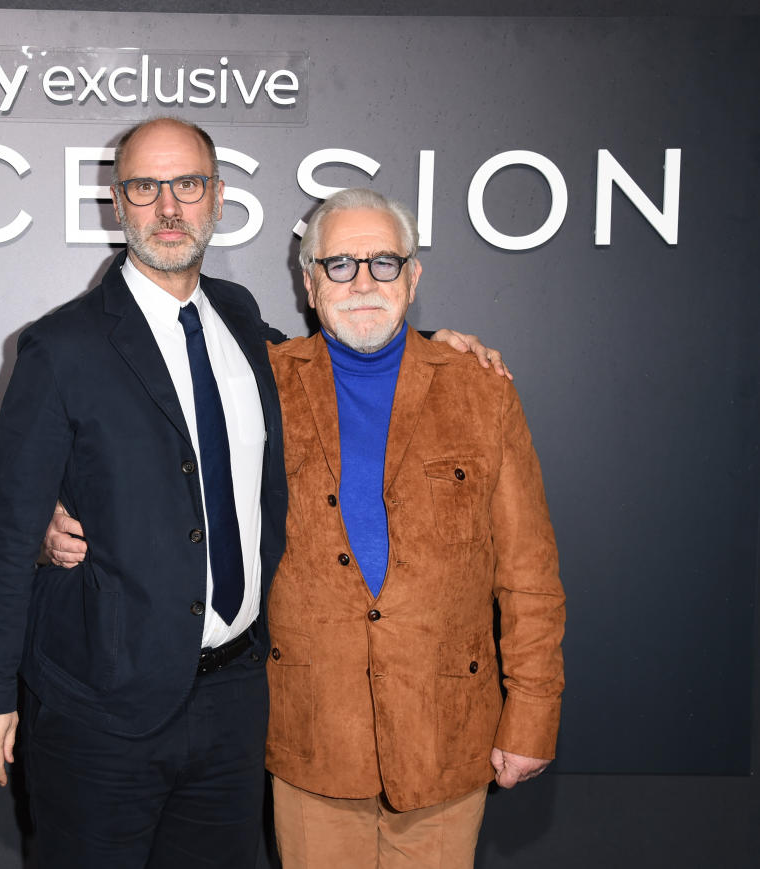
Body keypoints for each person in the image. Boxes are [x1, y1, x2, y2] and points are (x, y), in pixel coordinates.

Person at [0, 118, 504, 868]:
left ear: (216, 198)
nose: (168, 207)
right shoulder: (60, 349)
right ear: (117, 204)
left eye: (188, 185)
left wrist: (434, 343)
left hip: (236, 703)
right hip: (100, 713)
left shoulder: (243, 319)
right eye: (146, 188)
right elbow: (10, 533)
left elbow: (347, 348)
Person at [262, 188, 565, 868]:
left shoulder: (482, 388)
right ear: (308, 281)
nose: (363, 281)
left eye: (384, 263)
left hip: (447, 736)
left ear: (414, 276)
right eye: (339, 264)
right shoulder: (263, 384)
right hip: (313, 737)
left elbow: (529, 573)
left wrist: (534, 713)